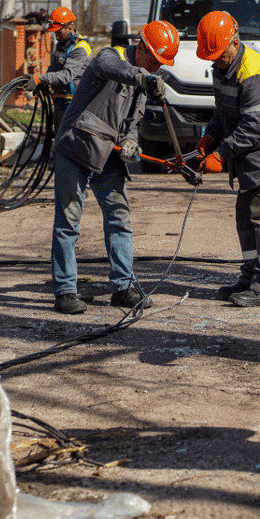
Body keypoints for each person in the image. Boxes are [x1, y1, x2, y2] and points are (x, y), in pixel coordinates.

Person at [50, 20, 179, 314]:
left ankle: (123, 287)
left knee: (120, 219)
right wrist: (141, 76)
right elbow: (113, 69)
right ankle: (65, 291)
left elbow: (133, 124)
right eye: (156, 61)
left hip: (109, 156)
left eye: (162, 64)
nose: (158, 68)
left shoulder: (144, 84)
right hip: (76, 149)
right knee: (68, 224)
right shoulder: (111, 56)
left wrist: (132, 143)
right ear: (143, 48)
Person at [193, 10, 260, 307]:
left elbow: (256, 126)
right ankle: (250, 278)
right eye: (211, 56)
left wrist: (220, 154)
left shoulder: (252, 72)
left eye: (218, 54)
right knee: (246, 216)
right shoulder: (222, 67)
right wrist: (210, 136)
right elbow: (223, 110)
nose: (215, 60)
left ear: (234, 42)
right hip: (255, 156)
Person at [35, 6, 93, 131]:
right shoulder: (60, 45)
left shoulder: (80, 48)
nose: (56, 34)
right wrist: (45, 81)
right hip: (60, 103)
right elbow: (54, 67)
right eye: (54, 31)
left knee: (68, 143)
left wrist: (40, 78)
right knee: (58, 141)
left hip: (74, 105)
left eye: (59, 31)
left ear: (69, 27)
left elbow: (66, 76)